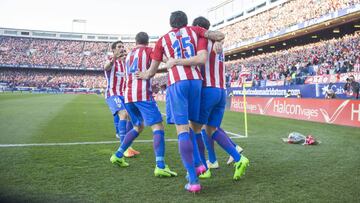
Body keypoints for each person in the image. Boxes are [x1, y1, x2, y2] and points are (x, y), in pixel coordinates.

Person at [136, 11, 225, 193]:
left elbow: (151, 72)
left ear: (171, 24)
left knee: (182, 129)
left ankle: (193, 181)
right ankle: (199, 164)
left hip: (178, 83)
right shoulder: (195, 30)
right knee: (193, 126)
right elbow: (219, 35)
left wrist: (142, 75)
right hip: (197, 82)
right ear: (186, 22)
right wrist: (217, 41)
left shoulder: (162, 40)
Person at [164, 16, 248, 180]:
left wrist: (173, 61)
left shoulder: (200, 42)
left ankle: (203, 167)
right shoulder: (218, 44)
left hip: (207, 89)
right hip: (221, 91)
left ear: (197, 28)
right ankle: (238, 158)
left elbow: (196, 60)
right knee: (210, 129)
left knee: (194, 129)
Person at [110, 32, 177, 177]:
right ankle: (160, 165)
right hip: (142, 95)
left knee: (138, 126)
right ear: (147, 41)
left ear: (136, 42)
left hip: (128, 96)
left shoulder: (128, 55)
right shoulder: (149, 50)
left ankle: (118, 154)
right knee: (158, 127)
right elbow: (166, 60)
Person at [104, 41, 139, 158]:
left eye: (123, 47)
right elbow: (106, 67)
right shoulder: (111, 60)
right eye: (119, 47)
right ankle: (123, 149)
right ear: (113, 50)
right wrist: (114, 57)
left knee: (131, 118)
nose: (122, 48)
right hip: (113, 94)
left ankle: (128, 146)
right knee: (123, 115)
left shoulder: (125, 63)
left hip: (124, 94)